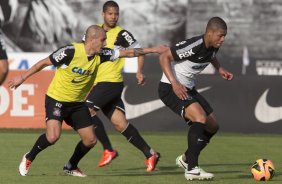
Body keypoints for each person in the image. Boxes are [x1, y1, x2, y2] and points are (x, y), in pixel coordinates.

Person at [9, 25, 165, 177]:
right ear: (93, 39)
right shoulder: (70, 51)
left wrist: (154, 50)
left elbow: (128, 53)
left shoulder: (102, 54)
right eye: (103, 40)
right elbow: (43, 62)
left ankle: (71, 166)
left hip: (77, 104)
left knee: (90, 140)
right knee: (52, 137)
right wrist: (22, 77)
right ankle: (30, 156)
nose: (105, 43)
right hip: (57, 99)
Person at [81, 1, 160, 172]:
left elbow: (138, 51)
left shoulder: (122, 34)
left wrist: (139, 71)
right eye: (110, 14)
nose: (114, 17)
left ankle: (108, 150)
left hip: (111, 82)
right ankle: (150, 153)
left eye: (116, 14)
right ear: (103, 14)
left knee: (87, 110)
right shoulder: (94, 32)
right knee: (119, 123)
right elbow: (85, 53)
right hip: (98, 83)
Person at [158, 17, 233, 180]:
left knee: (213, 126)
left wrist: (219, 68)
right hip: (171, 88)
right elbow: (164, 57)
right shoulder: (194, 45)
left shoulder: (213, 46)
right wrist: (175, 83)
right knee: (199, 118)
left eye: (225, 35)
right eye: (220, 35)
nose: (223, 39)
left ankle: (186, 159)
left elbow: (210, 55)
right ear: (210, 33)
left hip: (189, 89)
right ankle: (192, 169)